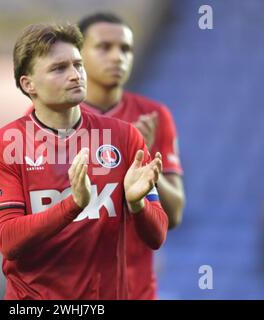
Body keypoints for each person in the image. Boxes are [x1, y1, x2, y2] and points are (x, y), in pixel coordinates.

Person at [0, 23, 168, 299]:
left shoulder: (124, 138)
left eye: (78, 65)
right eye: (59, 69)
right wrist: (72, 205)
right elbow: (8, 241)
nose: (75, 75)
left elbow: (157, 235)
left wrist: (137, 204)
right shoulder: (3, 145)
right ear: (28, 84)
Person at [77, 12, 186, 299]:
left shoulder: (154, 116)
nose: (117, 57)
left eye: (125, 49)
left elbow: (173, 215)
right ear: (78, 55)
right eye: (104, 47)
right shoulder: (47, 121)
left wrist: (144, 157)